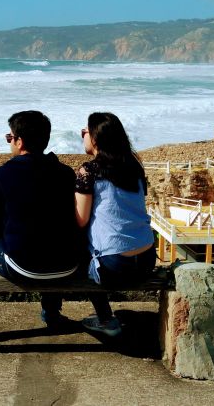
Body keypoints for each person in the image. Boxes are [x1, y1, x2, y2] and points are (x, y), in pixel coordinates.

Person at [0, 110, 83, 344]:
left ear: (20, 142)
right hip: (67, 266)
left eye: (10, 138)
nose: (9, 142)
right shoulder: (65, 173)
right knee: (51, 237)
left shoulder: (2, 175)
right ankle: (52, 313)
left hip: (25, 269)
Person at [75, 112, 156, 337]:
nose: (82, 136)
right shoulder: (134, 167)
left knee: (78, 248)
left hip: (116, 264)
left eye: (84, 132)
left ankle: (105, 319)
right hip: (147, 258)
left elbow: (80, 219)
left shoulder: (88, 171)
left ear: (95, 138)